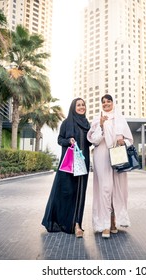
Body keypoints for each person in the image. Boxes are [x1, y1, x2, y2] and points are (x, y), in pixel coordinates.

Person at [42, 98, 91, 238]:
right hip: (69, 164)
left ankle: (77, 225)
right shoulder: (67, 122)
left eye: (83, 105)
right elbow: (59, 140)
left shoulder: (87, 124)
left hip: (83, 162)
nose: (81, 107)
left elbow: (90, 142)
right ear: (73, 107)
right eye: (78, 105)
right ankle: (63, 222)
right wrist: (68, 141)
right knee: (67, 192)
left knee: (80, 193)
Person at [87, 94, 133, 238]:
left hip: (118, 157)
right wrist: (101, 126)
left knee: (117, 189)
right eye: (104, 102)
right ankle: (105, 225)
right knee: (105, 188)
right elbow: (93, 141)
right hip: (102, 157)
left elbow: (130, 140)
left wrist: (123, 142)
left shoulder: (120, 119)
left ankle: (115, 221)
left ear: (113, 103)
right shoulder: (97, 118)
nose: (106, 104)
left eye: (108, 101)